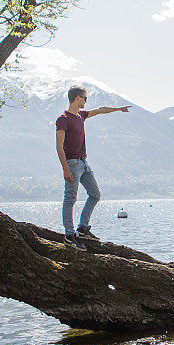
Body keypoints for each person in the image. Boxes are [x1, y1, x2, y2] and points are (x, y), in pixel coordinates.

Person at [56, 85, 130, 251]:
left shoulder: (81, 115)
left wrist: (118, 109)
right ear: (77, 98)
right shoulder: (63, 119)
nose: (86, 101)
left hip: (84, 163)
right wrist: (65, 169)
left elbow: (101, 110)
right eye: (85, 98)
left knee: (95, 194)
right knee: (70, 199)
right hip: (72, 164)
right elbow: (59, 147)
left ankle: (82, 228)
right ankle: (69, 235)